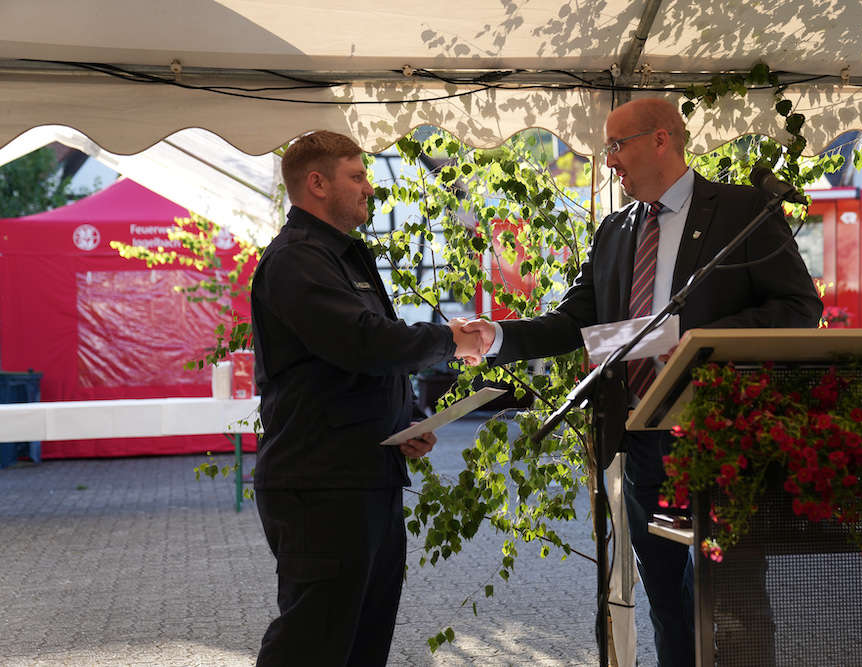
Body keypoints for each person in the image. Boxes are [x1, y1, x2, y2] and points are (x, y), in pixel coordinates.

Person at [463, 98, 823, 666]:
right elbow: (574, 323)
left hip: (719, 437)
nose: (608, 162)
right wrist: (499, 338)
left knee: (731, 595)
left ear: (661, 140)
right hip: (641, 435)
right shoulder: (615, 230)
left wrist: (702, 339)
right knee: (664, 599)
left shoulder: (741, 210)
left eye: (616, 146)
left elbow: (799, 307)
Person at [250, 130, 482, 666]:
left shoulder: (344, 255)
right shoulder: (297, 259)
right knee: (312, 645)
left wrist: (405, 422)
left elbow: (357, 363)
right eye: (356, 176)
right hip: (321, 484)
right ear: (317, 183)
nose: (369, 189)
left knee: (361, 644)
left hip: (364, 477)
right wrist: (451, 338)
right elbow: (364, 344)